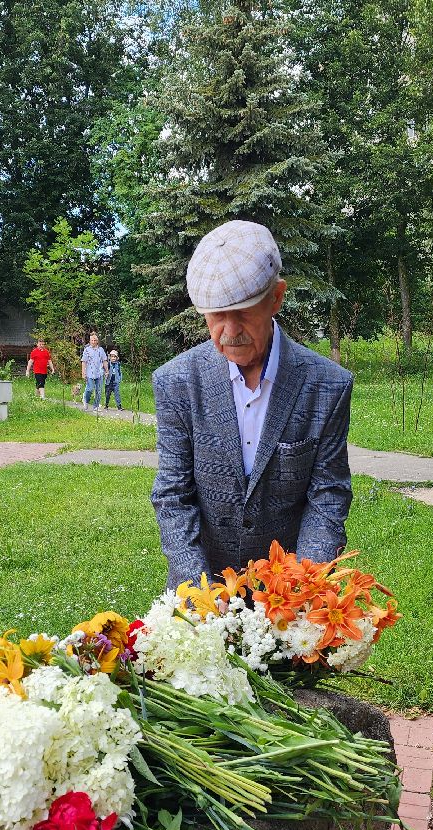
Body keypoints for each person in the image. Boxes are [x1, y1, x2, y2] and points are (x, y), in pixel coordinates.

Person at [150, 220, 353, 590]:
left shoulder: (328, 386)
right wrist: (201, 591)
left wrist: (303, 589)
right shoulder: (177, 383)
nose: (228, 330)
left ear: (276, 298)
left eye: (242, 311)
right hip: (202, 594)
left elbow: (328, 494)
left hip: (291, 598)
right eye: (215, 315)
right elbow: (172, 495)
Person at [81, 333, 107, 408]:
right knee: (89, 389)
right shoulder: (87, 350)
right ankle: (85, 399)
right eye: (91, 340)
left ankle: (95, 406)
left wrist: (107, 371)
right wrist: (83, 373)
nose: (93, 342)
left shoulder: (101, 350)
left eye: (95, 340)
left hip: (99, 373)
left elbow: (104, 361)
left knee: (99, 391)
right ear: (89, 341)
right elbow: (84, 362)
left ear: (97, 341)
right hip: (90, 374)